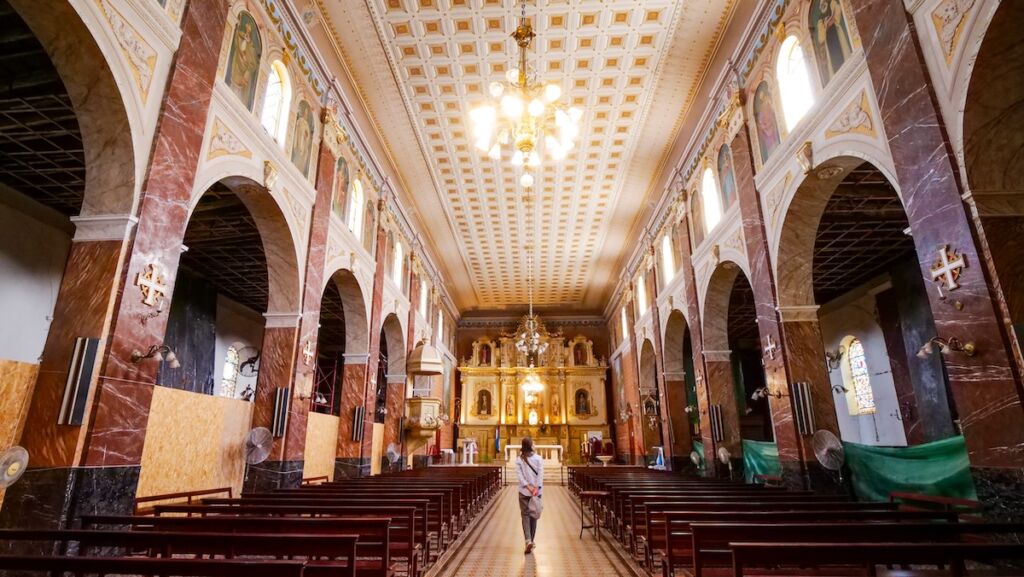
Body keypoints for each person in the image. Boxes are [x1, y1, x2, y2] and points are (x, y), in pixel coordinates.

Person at [516, 436, 544, 553]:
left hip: (524, 491)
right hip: (536, 492)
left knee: (525, 515)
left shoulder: (519, 459)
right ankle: (531, 540)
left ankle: (528, 540)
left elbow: (520, 476)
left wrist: (527, 486)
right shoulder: (538, 458)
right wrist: (536, 488)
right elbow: (540, 474)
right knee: (534, 515)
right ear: (531, 445)